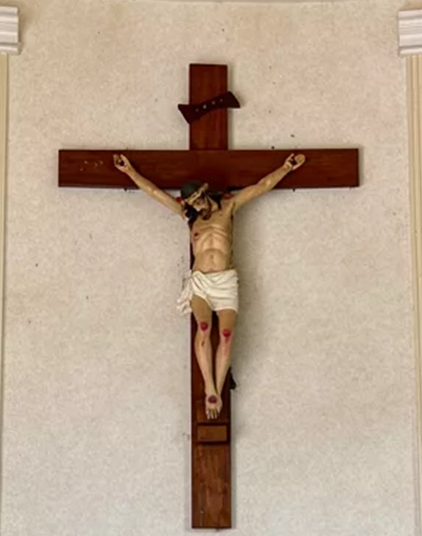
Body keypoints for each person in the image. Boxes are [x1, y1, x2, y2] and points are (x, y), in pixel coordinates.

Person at [113, 151, 306, 420]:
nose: (195, 206)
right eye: (191, 202)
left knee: (226, 336)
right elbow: (156, 194)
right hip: (201, 282)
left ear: (204, 194)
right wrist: (130, 172)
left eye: (197, 199)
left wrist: (285, 168)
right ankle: (210, 388)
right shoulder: (189, 217)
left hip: (225, 281)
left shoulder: (227, 207)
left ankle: (219, 381)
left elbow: (261, 187)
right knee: (204, 327)